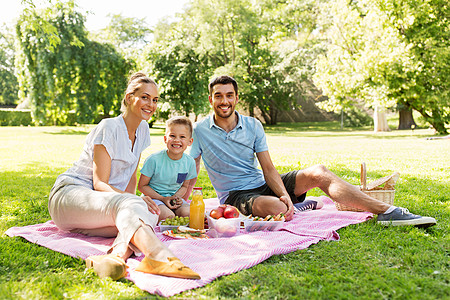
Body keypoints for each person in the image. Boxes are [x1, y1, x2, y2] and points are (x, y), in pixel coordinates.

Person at [185, 75, 436, 227]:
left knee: (318, 172)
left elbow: (269, 169)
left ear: (237, 98)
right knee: (278, 210)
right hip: (235, 195)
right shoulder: (200, 130)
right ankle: (299, 205)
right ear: (211, 100)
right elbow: (190, 170)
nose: (224, 101)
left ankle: (388, 212)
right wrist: (181, 200)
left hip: (262, 183)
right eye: (218, 96)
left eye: (229, 95)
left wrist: (284, 193)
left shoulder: (253, 125)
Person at [48, 72, 200, 281]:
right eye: (145, 97)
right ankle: (157, 255)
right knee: (137, 207)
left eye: (155, 100)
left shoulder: (143, 129)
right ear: (129, 98)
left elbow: (131, 175)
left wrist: (135, 205)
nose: (151, 104)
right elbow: (100, 183)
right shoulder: (108, 127)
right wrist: (132, 201)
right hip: (71, 196)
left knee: (148, 213)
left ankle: (115, 257)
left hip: (100, 210)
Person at [138, 116, 196, 222]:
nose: (177, 140)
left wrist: (176, 197)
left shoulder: (190, 162)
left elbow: (184, 186)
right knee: (168, 216)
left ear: (190, 141)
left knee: (189, 214)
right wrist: (163, 199)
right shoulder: (154, 159)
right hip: (154, 198)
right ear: (165, 139)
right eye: (172, 136)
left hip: (172, 199)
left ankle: (173, 209)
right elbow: (142, 186)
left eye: (182, 137)